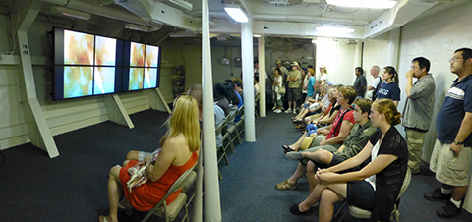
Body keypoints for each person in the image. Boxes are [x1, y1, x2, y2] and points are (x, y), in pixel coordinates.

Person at [289, 99, 408, 222]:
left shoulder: (394, 143)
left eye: (372, 113)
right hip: (369, 182)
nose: (370, 116)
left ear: (382, 116)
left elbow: (363, 174)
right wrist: (328, 171)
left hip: (380, 192)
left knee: (326, 182)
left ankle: (304, 206)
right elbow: (356, 159)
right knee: (326, 195)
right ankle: (305, 206)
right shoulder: (379, 135)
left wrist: (330, 177)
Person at [98, 95, 201, 222]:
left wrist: (148, 159)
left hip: (155, 194)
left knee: (113, 171)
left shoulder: (173, 143)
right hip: (171, 191)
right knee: (127, 163)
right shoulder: (195, 139)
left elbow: (153, 175)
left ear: (178, 115)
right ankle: (127, 203)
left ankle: (112, 217)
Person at [276, 99, 376, 192]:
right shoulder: (358, 124)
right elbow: (346, 142)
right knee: (310, 162)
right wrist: (336, 153)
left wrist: (335, 154)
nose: (353, 113)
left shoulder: (368, 132)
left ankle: (304, 154)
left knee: (320, 153)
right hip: (342, 152)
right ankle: (303, 187)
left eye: (357, 111)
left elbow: (351, 152)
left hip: (349, 160)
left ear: (365, 114)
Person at [424, 47, 472, 219]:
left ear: (469, 61)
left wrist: (459, 141)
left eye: (455, 59)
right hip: (445, 137)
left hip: (457, 141)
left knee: (457, 175)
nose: (451, 62)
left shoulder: (471, 84)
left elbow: (470, 118)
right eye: (451, 59)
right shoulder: (458, 82)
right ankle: (445, 192)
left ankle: (455, 203)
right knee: (443, 169)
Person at [282, 86, 356, 153]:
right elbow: (333, 125)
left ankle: (300, 152)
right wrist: (324, 131)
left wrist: (325, 140)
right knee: (309, 137)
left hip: (334, 142)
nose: (337, 97)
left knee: (308, 145)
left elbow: (341, 137)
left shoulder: (348, 114)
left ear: (346, 100)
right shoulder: (342, 110)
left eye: (340, 96)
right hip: (330, 135)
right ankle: (296, 148)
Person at [402, 57, 435, 174]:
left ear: (423, 68)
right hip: (412, 121)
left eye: (414, 67)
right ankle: (408, 169)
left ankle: (412, 171)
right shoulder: (421, 81)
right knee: (410, 148)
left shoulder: (428, 82)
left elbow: (410, 93)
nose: (412, 70)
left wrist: (409, 78)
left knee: (414, 149)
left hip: (418, 122)